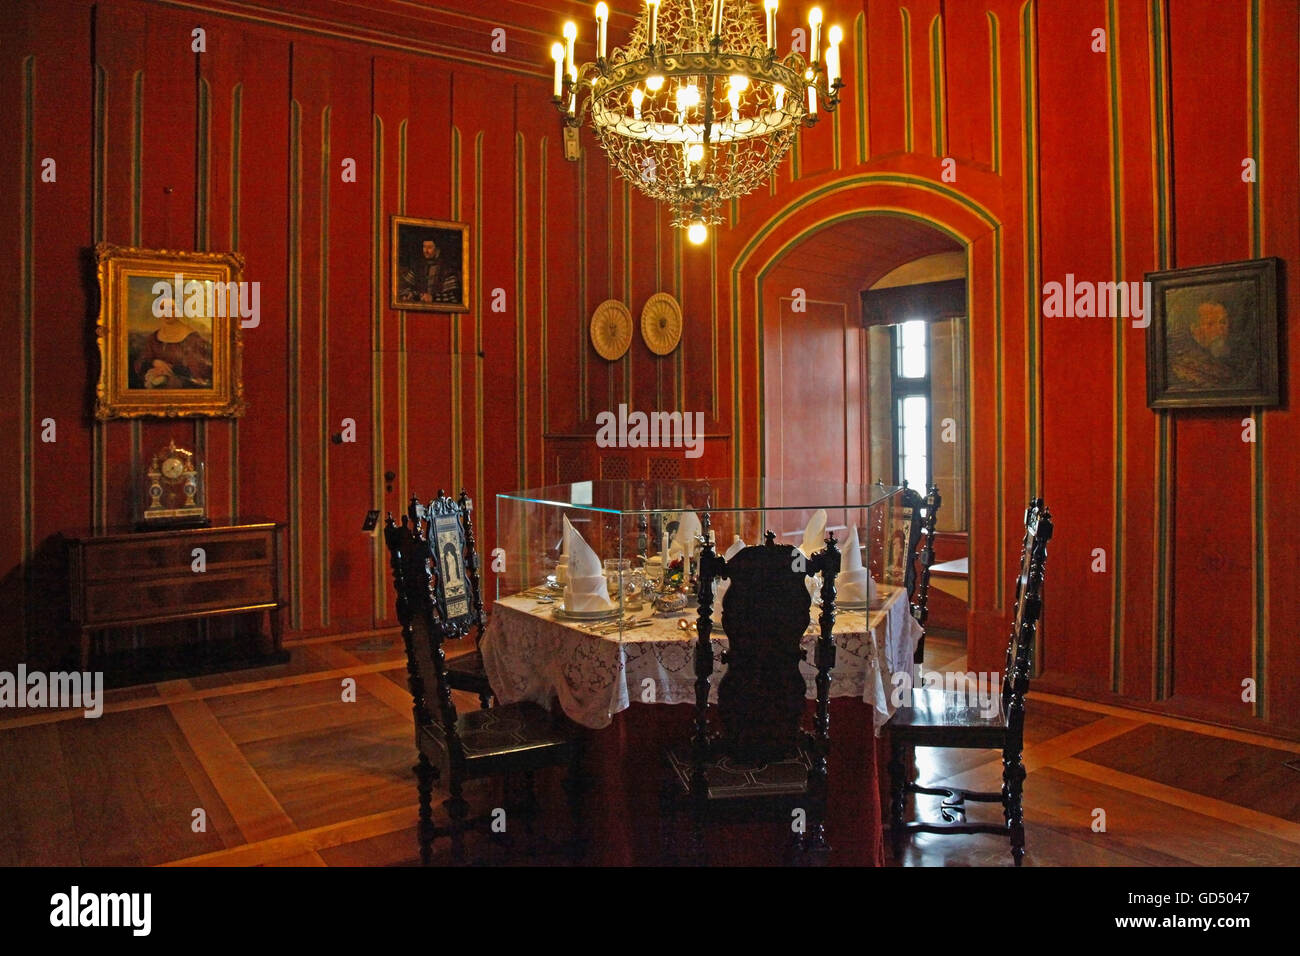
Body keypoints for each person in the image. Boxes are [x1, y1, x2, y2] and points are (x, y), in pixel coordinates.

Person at [129, 297, 213, 389]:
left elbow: (200, 373)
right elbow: (140, 363)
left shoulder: (192, 339)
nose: (167, 313)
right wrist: (154, 362)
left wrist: (170, 370)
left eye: (172, 308)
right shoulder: (153, 338)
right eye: (162, 308)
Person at [1167, 301, 1247, 390]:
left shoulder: (1238, 356)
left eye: (1223, 322)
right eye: (1210, 324)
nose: (1220, 329)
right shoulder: (1183, 363)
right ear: (1194, 329)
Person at [401, 237, 460, 304]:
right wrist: (408, 294)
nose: (425, 251)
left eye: (429, 247)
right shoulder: (417, 267)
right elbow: (406, 287)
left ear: (438, 250)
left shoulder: (447, 269)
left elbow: (454, 297)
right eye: (424, 247)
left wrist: (433, 298)